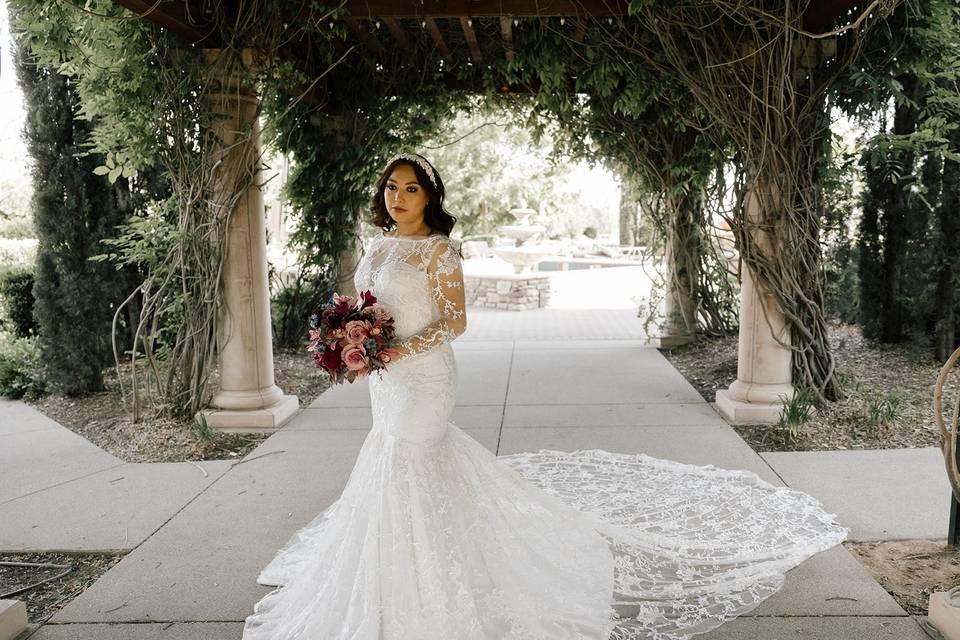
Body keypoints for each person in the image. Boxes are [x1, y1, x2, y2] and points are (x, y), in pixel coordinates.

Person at [241, 152, 849, 640]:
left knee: (409, 458)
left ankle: (429, 588)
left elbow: (454, 323)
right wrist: (351, 333)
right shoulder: (375, 247)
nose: (397, 199)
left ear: (430, 199)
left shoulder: (440, 252)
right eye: (391, 189)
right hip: (385, 382)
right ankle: (395, 574)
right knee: (398, 462)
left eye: (410, 190)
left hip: (424, 379)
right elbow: (368, 307)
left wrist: (393, 350)